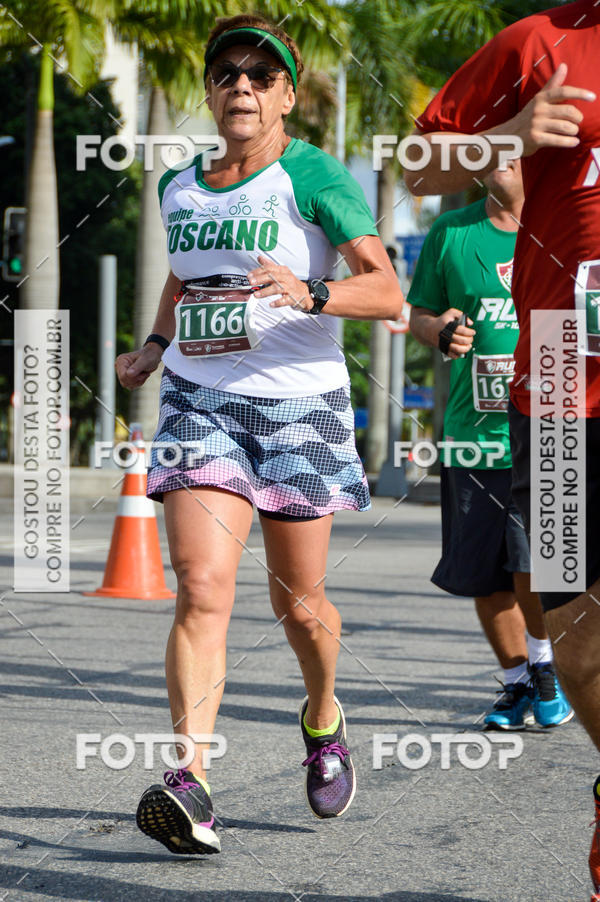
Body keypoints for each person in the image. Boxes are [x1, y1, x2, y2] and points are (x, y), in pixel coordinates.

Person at [115, 14, 403, 855]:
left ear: (285, 92)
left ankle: (323, 719)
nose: (241, 85)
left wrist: (310, 291)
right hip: (199, 402)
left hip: (299, 407)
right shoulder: (181, 186)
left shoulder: (312, 174)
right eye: (227, 73)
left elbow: (385, 291)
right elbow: (182, 273)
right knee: (201, 585)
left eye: (259, 74)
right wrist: (155, 348)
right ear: (209, 92)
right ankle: (191, 781)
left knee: (299, 602)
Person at [404, 1, 600, 895]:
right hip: (559, 370)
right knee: (574, 624)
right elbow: (415, 162)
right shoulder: (541, 39)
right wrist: (509, 135)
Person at [409, 160, 572, 730]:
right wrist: (440, 329)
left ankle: (547, 664)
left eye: (515, 140)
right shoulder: (451, 232)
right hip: (472, 434)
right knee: (484, 572)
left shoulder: (569, 222)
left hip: (553, 426)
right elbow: (419, 315)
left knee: (538, 560)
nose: (501, 154)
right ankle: (519, 680)